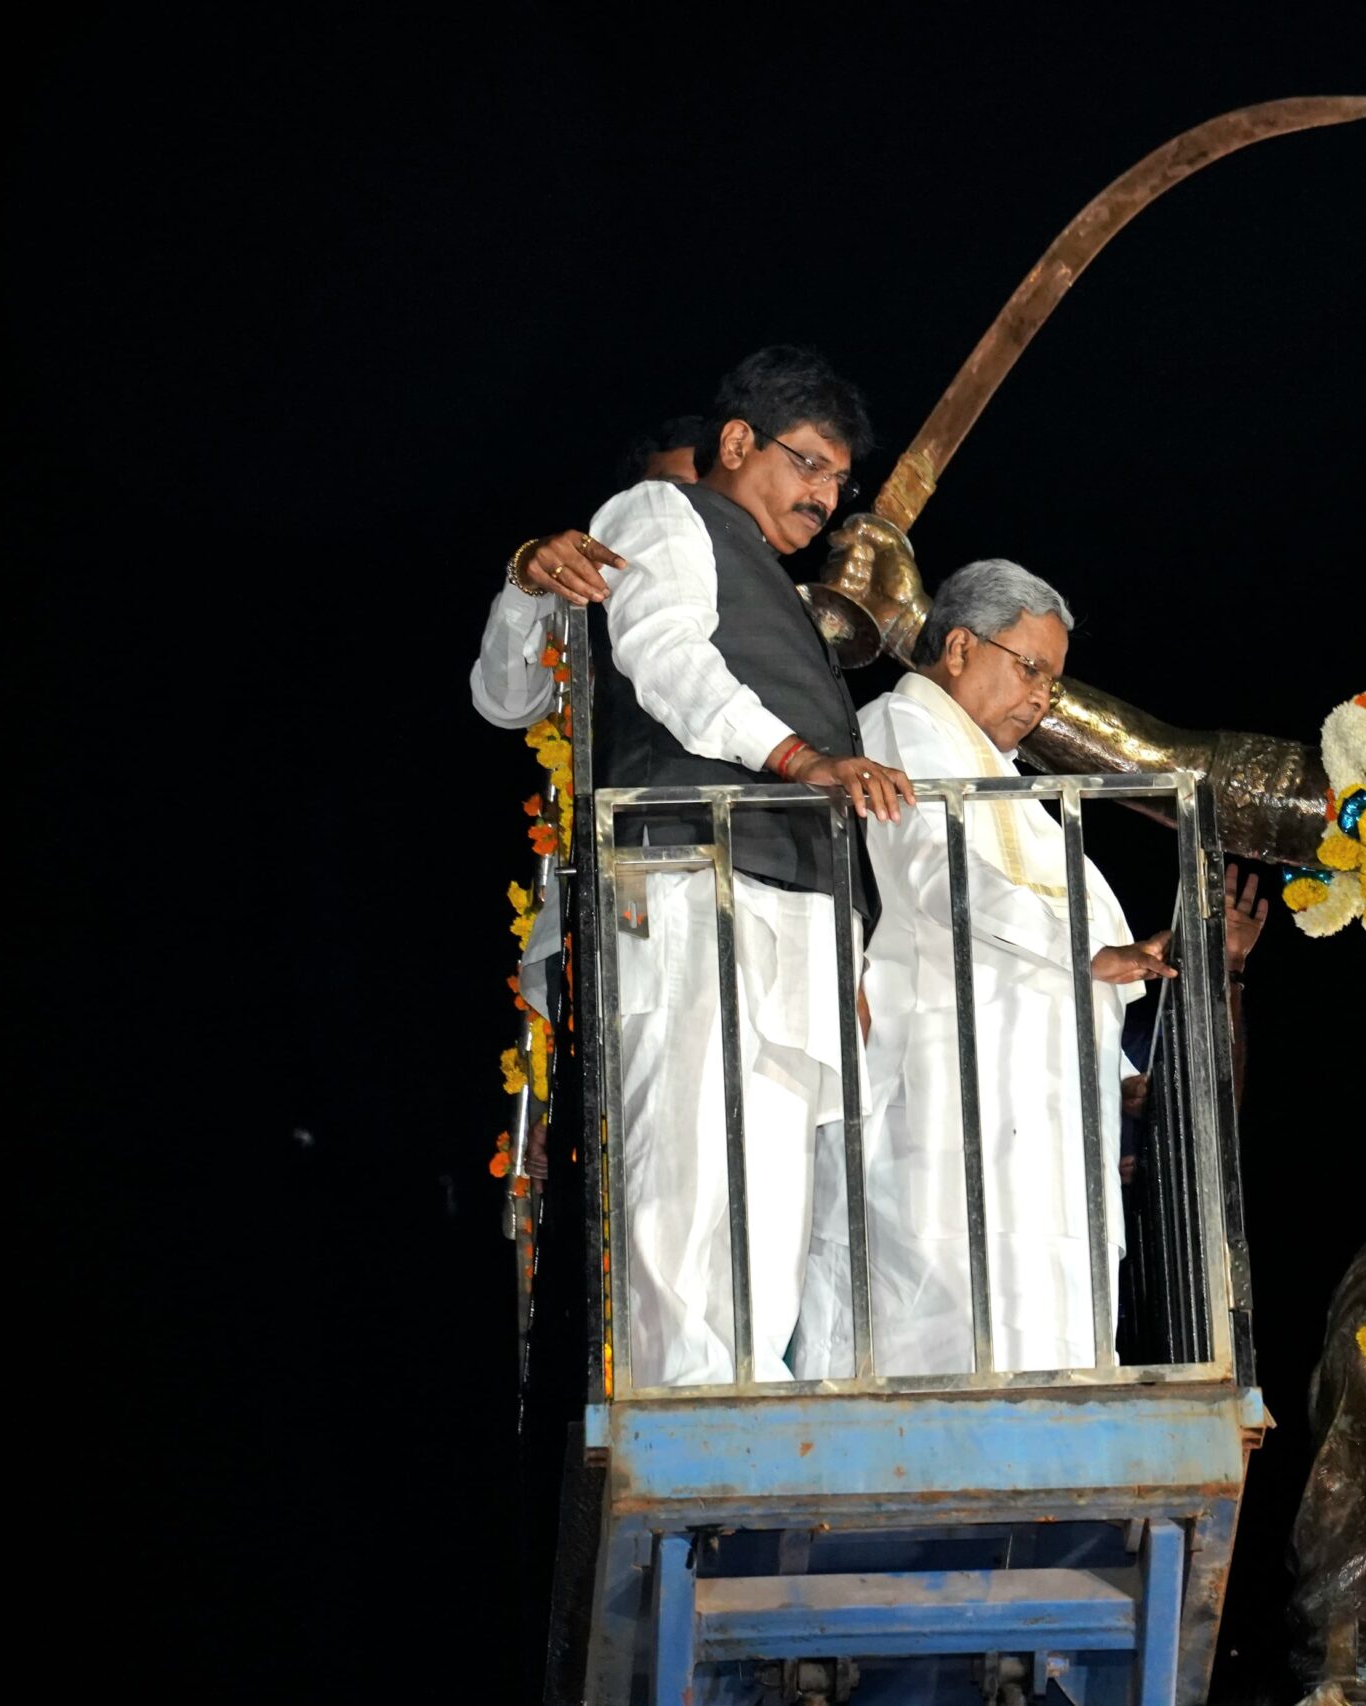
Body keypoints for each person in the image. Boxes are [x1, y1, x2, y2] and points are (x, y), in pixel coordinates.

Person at [589, 345, 915, 1389]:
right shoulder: (661, 516)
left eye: (837, 483)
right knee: (692, 1141)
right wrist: (794, 756)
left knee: (770, 1162)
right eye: (808, 465)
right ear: (737, 443)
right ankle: (686, 1393)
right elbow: (663, 653)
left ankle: (748, 1387)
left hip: (788, 898)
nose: (825, 499)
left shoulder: (769, 580)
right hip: (697, 874)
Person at [792, 560, 1164, 1380]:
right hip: (945, 1078)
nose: (1040, 697)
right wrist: (1087, 953)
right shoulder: (897, 726)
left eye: (1053, 683)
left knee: (1045, 1319)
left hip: (1033, 1097)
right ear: (958, 646)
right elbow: (933, 870)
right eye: (1030, 667)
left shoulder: (1008, 782)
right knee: (938, 1307)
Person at [468, 414, 707, 731]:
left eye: (708, 496)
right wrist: (524, 583)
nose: (689, 510)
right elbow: (509, 706)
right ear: (630, 503)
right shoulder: (586, 584)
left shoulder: (770, 593)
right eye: (671, 493)